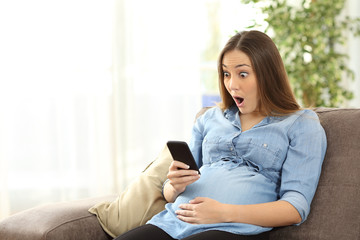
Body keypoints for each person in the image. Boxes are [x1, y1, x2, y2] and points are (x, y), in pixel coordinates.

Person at [114, 30, 327, 240]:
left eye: (242, 74)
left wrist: (222, 212)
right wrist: (174, 185)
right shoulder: (210, 118)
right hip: (172, 222)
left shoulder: (301, 124)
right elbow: (170, 193)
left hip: (234, 228)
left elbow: (295, 208)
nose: (232, 84)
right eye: (226, 74)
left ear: (267, 75)